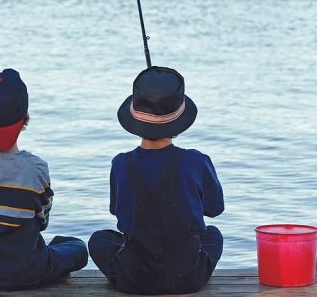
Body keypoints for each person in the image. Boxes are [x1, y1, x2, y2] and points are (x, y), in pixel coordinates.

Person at [0, 68, 87, 290]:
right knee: (78, 248)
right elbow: (42, 221)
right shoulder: (36, 169)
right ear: (23, 120)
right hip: (28, 271)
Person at [89, 66, 224, 295]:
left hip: (133, 279)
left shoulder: (120, 163)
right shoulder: (196, 161)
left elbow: (117, 211)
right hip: (188, 277)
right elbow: (215, 209)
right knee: (213, 234)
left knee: (99, 239)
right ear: (179, 121)